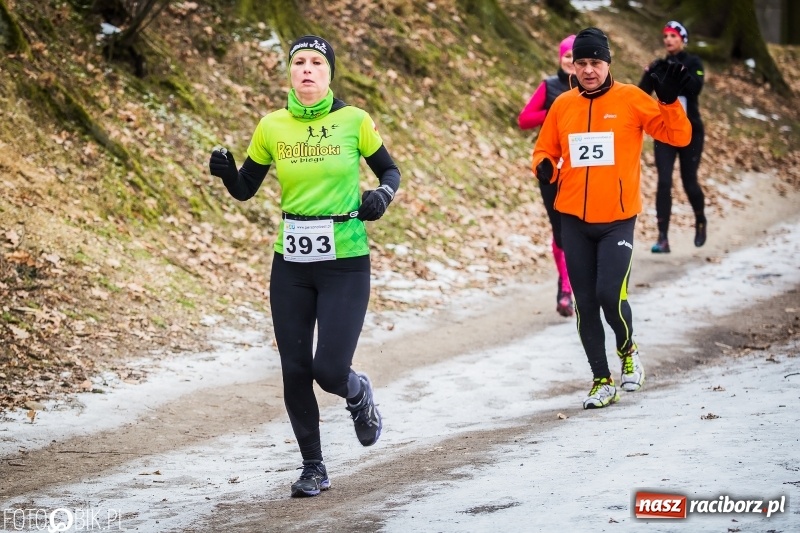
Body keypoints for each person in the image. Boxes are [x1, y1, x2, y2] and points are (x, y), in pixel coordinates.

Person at [208, 35, 401, 497]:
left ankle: (357, 393)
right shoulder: (272, 126)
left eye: (317, 62)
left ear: (329, 73)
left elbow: (390, 171)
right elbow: (245, 188)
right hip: (291, 262)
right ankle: (313, 466)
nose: (308, 69)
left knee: (329, 370)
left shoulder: (355, 121)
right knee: (294, 368)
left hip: (345, 260)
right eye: (300, 62)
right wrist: (227, 172)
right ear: (290, 72)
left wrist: (382, 195)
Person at [531, 27, 692, 409]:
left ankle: (628, 350)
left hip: (617, 219)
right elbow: (545, 150)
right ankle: (601, 380)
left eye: (596, 62)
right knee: (586, 304)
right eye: (582, 63)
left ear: (608, 63)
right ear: (573, 66)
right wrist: (544, 167)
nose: (588, 70)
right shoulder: (563, 105)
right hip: (573, 218)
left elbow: (678, 137)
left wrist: (669, 102)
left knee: (609, 295)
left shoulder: (631, 99)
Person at [518, 34, 577, 317]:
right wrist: (550, 113)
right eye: (567, 55)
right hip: (550, 169)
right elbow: (524, 120)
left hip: (581, 171)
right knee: (560, 229)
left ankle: (578, 285)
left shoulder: (591, 89)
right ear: (560, 57)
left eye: (576, 56)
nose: (571, 61)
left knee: (579, 228)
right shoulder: (550, 86)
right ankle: (565, 288)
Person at [638, 21, 707, 253]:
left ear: (683, 40)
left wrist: (676, 71)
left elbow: (696, 88)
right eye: (666, 36)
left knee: (689, 181)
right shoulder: (659, 65)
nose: (668, 39)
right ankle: (663, 237)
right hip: (665, 132)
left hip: (691, 132)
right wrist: (650, 72)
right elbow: (641, 94)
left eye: (673, 36)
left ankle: (700, 219)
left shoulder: (694, 63)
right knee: (664, 181)